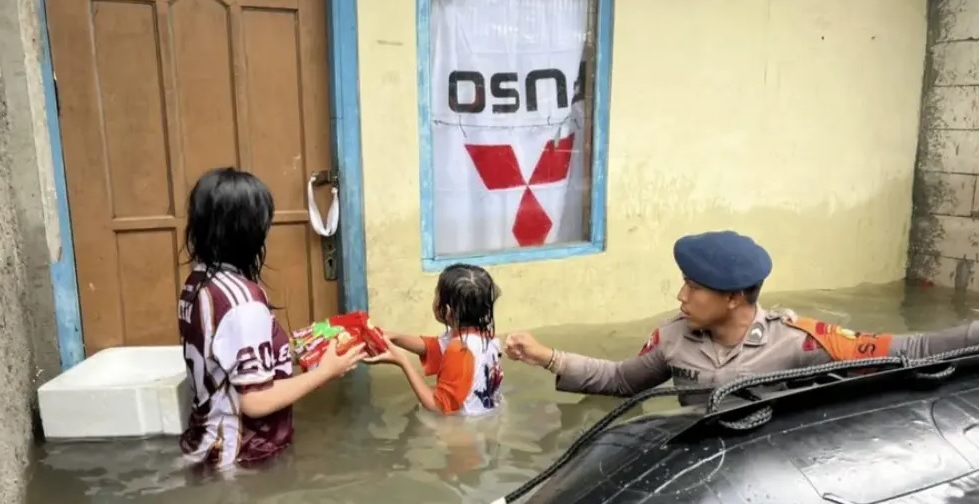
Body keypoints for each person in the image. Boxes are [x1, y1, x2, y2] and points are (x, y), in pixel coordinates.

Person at [504, 230, 979, 404]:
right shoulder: (673, 338)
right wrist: (547, 357)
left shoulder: (804, 342)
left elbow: (908, 351)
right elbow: (621, 381)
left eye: (693, 286)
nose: (680, 294)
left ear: (733, 297)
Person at [177, 167, 366, 470]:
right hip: (243, 458)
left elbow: (226, 362)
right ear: (246, 230)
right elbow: (255, 401)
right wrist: (325, 372)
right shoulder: (243, 301)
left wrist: (298, 351)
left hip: (206, 446)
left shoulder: (198, 282)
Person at [366, 264, 505, 416]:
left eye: (436, 294)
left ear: (446, 310)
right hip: (488, 415)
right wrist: (393, 337)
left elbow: (437, 407)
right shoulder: (486, 337)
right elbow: (434, 346)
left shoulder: (460, 348)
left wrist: (402, 362)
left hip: (462, 429)